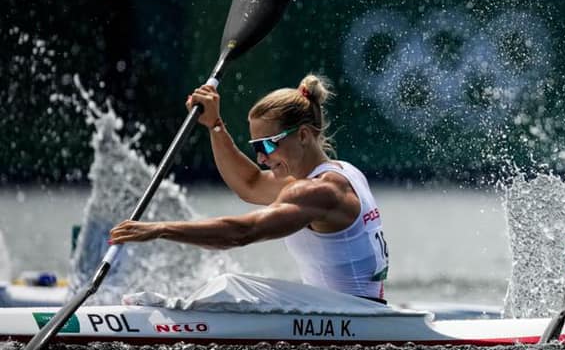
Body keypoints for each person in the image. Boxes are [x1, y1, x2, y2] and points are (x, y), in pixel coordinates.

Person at [108, 74, 390, 303]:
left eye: (267, 144)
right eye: (256, 147)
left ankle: (159, 317)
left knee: (230, 286)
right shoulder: (343, 173)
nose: (261, 157)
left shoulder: (319, 192)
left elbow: (243, 233)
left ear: (303, 135)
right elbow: (249, 183)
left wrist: (160, 229)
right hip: (353, 311)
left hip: (349, 317)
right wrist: (215, 126)